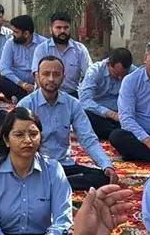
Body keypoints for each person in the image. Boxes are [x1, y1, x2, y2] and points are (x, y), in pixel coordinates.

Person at [17, 56, 117, 191]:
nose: (51, 79)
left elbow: (88, 138)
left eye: (56, 74)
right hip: (36, 165)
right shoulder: (26, 105)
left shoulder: (72, 104)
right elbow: (17, 143)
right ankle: (55, 183)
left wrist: (106, 165)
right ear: (37, 76)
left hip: (64, 164)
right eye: (46, 74)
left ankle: (52, 184)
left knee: (102, 177)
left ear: (63, 77)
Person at [79, 48, 136, 141]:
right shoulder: (94, 71)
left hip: (123, 115)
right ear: (109, 64)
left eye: (123, 75)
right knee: (84, 115)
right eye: (116, 74)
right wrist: (111, 114)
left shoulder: (133, 72)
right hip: (100, 114)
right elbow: (85, 101)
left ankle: (119, 134)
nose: (120, 78)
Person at [32, 13, 92, 97]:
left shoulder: (80, 49)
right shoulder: (42, 49)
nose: (62, 31)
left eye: (66, 28)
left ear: (70, 29)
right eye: (58, 28)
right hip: (46, 93)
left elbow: (89, 74)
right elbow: (37, 75)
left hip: (72, 94)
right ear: (51, 29)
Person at [0, 15, 45, 102]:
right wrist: (22, 84)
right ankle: (25, 97)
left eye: (15, 32)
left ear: (26, 34)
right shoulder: (10, 43)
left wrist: (36, 84)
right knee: (0, 80)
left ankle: (21, 97)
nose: (12, 34)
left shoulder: (43, 44)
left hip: (37, 82)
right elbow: (4, 68)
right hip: (18, 83)